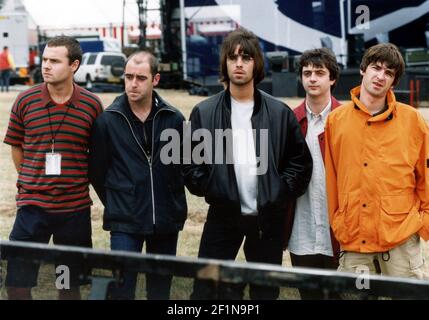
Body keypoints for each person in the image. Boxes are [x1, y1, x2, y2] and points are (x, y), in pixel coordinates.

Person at [185, 28, 313, 300]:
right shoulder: (204, 112)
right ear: (225, 64)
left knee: (265, 292)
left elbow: (300, 163)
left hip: (267, 220)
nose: (239, 63)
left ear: (257, 63)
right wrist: (213, 186)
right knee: (206, 290)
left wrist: (278, 191)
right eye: (232, 58)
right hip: (222, 216)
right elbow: (190, 163)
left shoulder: (279, 113)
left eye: (246, 57)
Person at [3, 36, 103, 300]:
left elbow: (97, 155)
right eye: (45, 59)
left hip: (74, 210)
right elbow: (16, 145)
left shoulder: (92, 105)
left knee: (67, 284)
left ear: (74, 65)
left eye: (54, 61)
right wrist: (30, 179)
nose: (46, 65)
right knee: (18, 283)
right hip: (32, 208)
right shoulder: (25, 101)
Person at [88, 50, 187, 300]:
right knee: (122, 289)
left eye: (141, 78)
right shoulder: (107, 121)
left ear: (155, 80)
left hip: (165, 219)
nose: (133, 83)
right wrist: (119, 200)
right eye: (128, 76)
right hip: (125, 221)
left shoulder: (174, 118)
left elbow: (185, 166)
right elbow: (97, 171)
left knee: (160, 289)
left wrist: (173, 201)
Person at [325, 43, 429, 279]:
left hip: (401, 236)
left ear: (394, 81)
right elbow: (332, 177)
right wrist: (338, 221)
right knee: (355, 296)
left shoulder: (413, 121)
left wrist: (425, 223)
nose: (381, 76)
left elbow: (426, 174)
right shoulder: (336, 121)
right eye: (376, 68)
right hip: (354, 235)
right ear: (363, 70)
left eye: (389, 73)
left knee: (407, 297)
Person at [286, 48, 341, 299]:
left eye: (320, 73)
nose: (312, 78)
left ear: (332, 78)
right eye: (307, 73)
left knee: (340, 295)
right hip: (302, 229)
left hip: (339, 231)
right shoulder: (289, 120)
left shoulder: (347, 119)